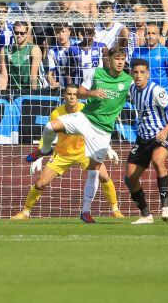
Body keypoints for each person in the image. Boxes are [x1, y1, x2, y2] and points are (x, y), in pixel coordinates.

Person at [28, 46, 130, 223]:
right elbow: (81, 91)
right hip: (85, 119)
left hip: (102, 132)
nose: (120, 62)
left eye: (123, 59)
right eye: (117, 59)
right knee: (50, 126)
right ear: (109, 60)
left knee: (95, 173)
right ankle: (44, 150)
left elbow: (142, 89)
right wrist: (92, 93)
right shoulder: (96, 73)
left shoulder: (128, 80)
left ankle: (85, 211)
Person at [13, 84, 124, 220]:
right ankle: (25, 212)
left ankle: (115, 209)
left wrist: (108, 148)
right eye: (69, 94)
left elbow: (98, 131)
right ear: (64, 96)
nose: (72, 97)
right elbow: (48, 133)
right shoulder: (56, 113)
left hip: (85, 151)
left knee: (104, 176)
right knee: (41, 183)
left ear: (79, 96)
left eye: (75, 94)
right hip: (62, 153)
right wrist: (40, 155)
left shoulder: (86, 110)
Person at [125, 58, 168, 224]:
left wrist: (166, 130)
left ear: (148, 74)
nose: (138, 76)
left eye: (142, 72)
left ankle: (165, 207)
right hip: (142, 139)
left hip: (159, 136)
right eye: (135, 72)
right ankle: (146, 215)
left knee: (158, 161)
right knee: (130, 179)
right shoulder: (132, 89)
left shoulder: (156, 91)